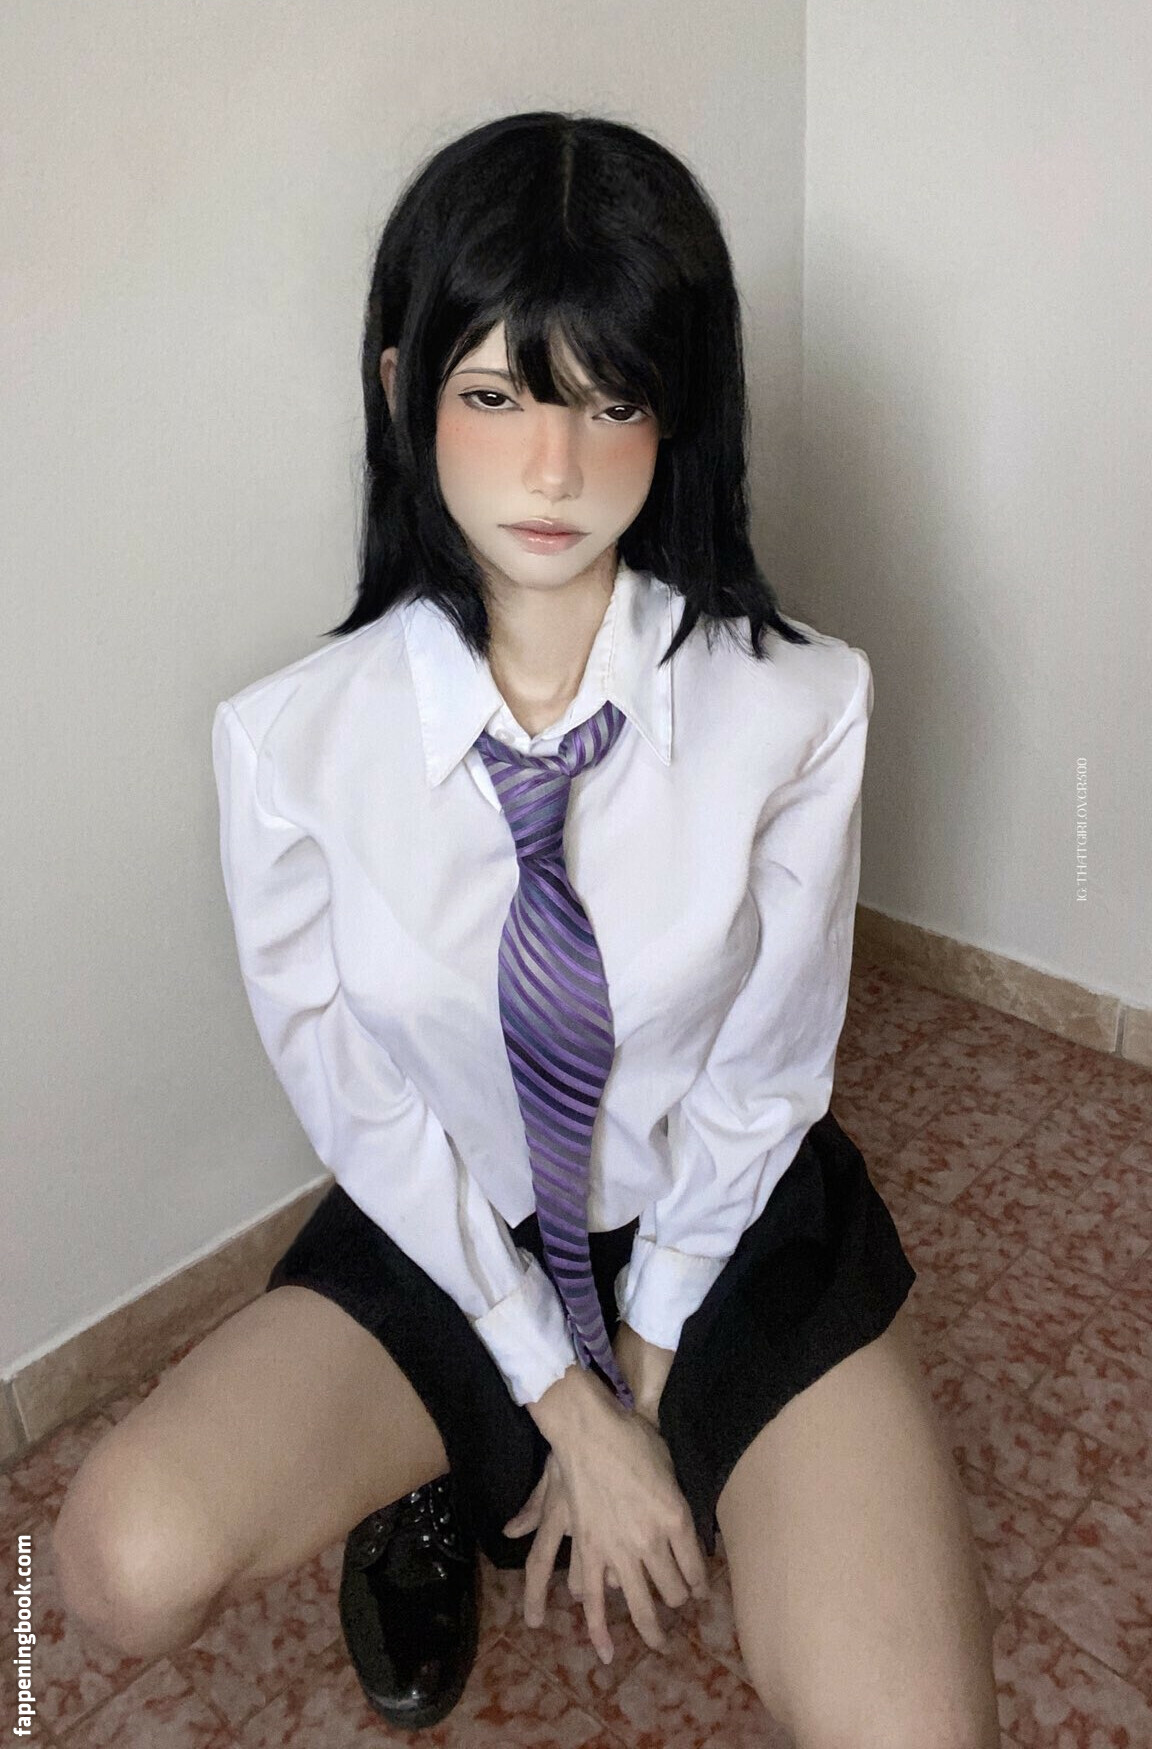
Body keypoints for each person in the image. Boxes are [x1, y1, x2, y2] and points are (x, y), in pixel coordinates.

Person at [50, 111, 1000, 1744]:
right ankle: (422, 1465)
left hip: (725, 1213)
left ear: (675, 405)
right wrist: (555, 1392)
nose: (553, 469)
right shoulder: (287, 749)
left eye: (608, 399)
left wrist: (635, 1375)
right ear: (401, 386)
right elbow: (356, 1095)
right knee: (110, 1561)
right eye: (495, 396)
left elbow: (765, 1075)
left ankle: (673, 1442)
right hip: (457, 1223)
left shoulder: (802, 706)